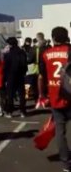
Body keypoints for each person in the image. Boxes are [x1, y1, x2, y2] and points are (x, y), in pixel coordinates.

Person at [39, 27, 71, 172]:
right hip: (69, 93)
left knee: (60, 131)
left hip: (55, 95)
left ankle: (65, 163)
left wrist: (41, 95)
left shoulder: (46, 53)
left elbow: (41, 77)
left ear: (53, 38)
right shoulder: (69, 51)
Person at [3, 37, 28, 118]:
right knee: (21, 94)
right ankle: (23, 111)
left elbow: (6, 67)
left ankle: (9, 111)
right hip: (20, 75)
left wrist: (5, 78)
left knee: (10, 94)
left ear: (10, 45)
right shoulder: (22, 52)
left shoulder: (8, 54)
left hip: (11, 76)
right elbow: (25, 65)